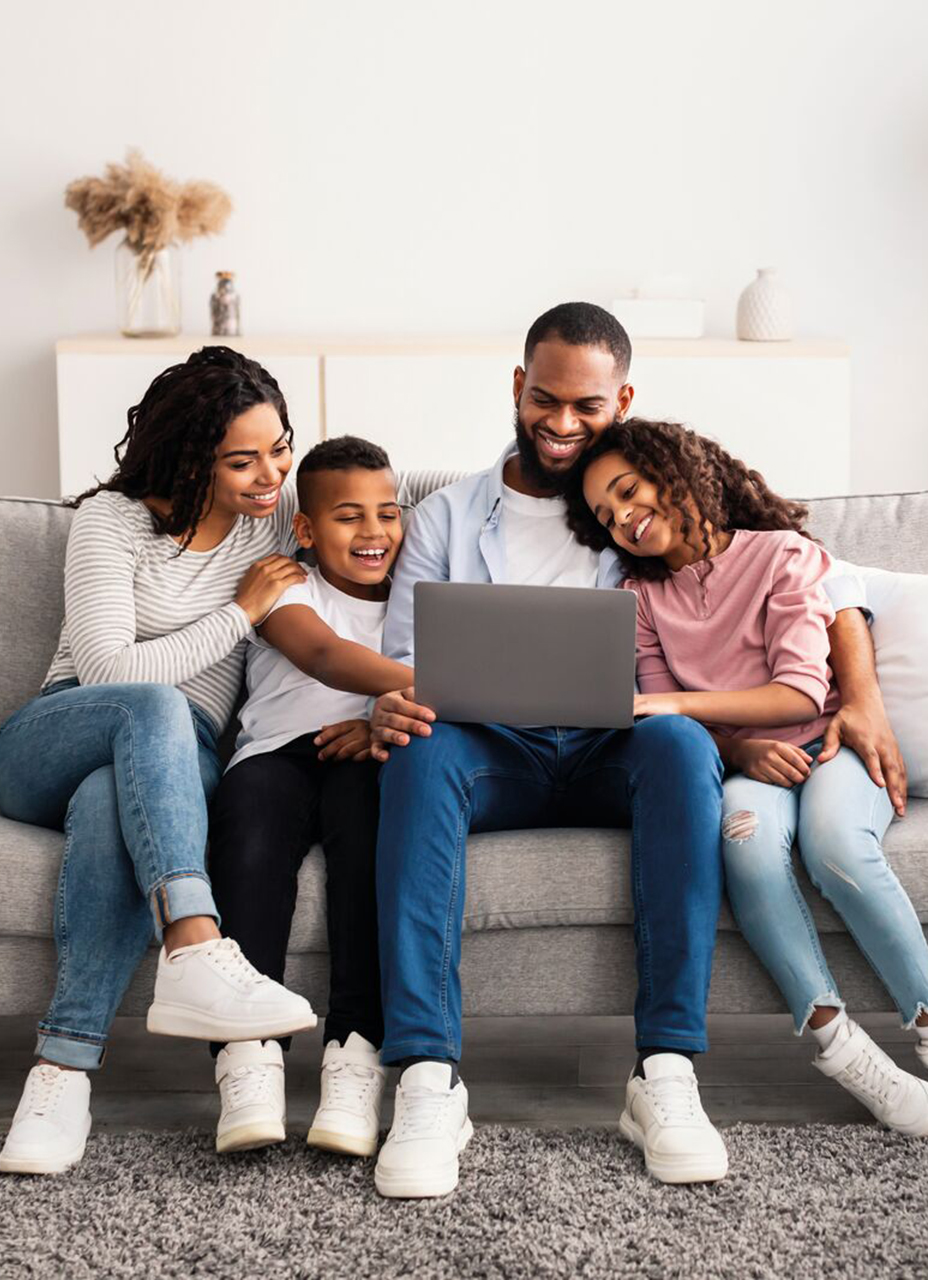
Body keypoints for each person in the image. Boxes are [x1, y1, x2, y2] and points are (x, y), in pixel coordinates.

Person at [367, 302, 904, 1197]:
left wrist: (864, 694)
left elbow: (820, 571)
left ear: (623, 400)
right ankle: (427, 1076)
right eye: (545, 400)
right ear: (517, 387)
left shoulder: (649, 488)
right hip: (492, 753)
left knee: (682, 751)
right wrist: (394, 702)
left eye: (588, 406)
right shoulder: (447, 517)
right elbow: (406, 662)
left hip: (624, 743)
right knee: (420, 754)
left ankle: (666, 1074)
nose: (564, 425)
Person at [0, 347, 318, 1176]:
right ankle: (197, 944)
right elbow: (106, 670)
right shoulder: (116, 522)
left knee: (113, 805)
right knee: (153, 705)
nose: (269, 472)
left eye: (279, 447)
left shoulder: (278, 516)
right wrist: (244, 611)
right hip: (54, 736)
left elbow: (382, 507)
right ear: (189, 455)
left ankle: (60, 1072)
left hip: (175, 768)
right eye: (241, 460)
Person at [570, 417, 928, 1133]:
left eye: (628, 492)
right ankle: (842, 1048)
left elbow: (798, 692)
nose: (622, 520)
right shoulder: (641, 600)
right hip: (750, 765)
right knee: (745, 846)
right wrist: (736, 749)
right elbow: (671, 728)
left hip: (829, 742)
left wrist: (673, 702)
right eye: (605, 517)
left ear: (676, 472)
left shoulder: (784, 555)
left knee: (834, 842)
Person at [207, 437, 412, 1158]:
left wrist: (377, 719)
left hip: (366, 755)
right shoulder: (284, 583)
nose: (374, 533)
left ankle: (355, 1053)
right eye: (349, 517)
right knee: (250, 841)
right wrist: (447, 685)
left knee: (370, 851)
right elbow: (322, 654)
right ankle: (248, 1054)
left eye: (388, 513)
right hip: (277, 757)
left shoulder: (420, 600)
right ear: (305, 529)